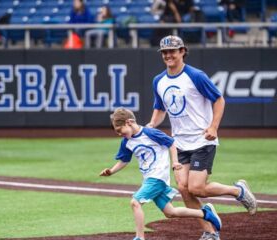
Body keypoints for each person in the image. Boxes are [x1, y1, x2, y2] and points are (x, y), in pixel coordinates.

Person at [147, 35, 257, 240]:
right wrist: (151, 125)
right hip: (179, 142)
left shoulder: (196, 75)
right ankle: (210, 232)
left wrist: (213, 127)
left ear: (182, 52)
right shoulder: (158, 81)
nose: (168, 55)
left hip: (202, 139)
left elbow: (219, 99)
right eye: (164, 52)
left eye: (172, 51)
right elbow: (159, 108)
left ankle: (238, 191)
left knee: (196, 187)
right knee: (184, 189)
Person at [100, 107, 222, 240]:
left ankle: (139, 237)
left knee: (135, 202)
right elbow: (124, 160)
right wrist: (111, 171)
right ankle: (205, 213)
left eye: (120, 130)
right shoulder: (127, 142)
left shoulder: (150, 133)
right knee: (171, 212)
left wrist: (175, 162)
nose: (119, 134)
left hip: (157, 177)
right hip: (149, 179)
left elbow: (171, 143)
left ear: (129, 122)